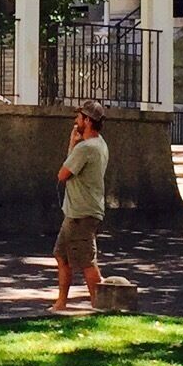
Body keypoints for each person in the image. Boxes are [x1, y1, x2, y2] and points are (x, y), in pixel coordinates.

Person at [51, 101, 108, 310]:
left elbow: (63, 174)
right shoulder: (100, 144)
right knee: (61, 255)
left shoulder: (85, 148)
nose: (76, 121)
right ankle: (61, 303)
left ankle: (101, 305)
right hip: (78, 212)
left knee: (86, 261)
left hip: (81, 214)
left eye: (80, 117)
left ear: (88, 121)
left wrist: (72, 144)